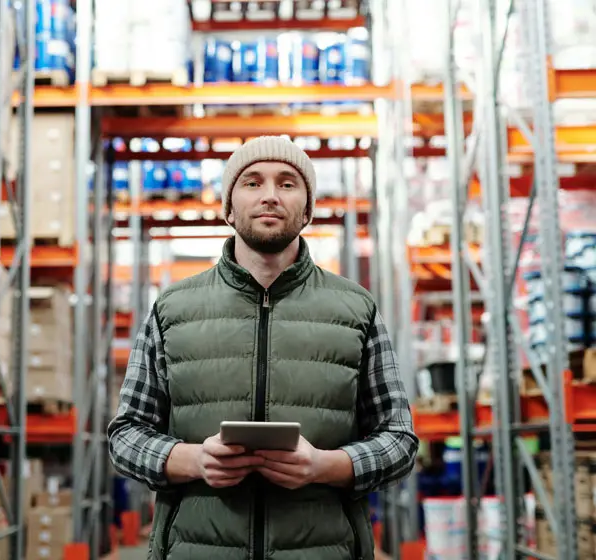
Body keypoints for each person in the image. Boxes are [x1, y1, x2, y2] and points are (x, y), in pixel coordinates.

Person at [107, 136, 418, 560]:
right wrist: (193, 460)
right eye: (252, 183)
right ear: (229, 208)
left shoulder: (356, 310)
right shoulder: (172, 309)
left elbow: (399, 440)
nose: (270, 196)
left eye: (287, 184)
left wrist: (324, 467)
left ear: (307, 209)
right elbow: (126, 436)